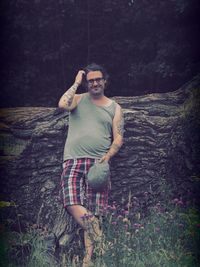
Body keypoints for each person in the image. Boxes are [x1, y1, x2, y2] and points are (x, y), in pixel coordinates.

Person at [58, 63, 124, 267]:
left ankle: (88, 262)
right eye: (91, 80)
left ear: (105, 81)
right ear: (87, 83)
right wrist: (76, 82)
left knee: (95, 211)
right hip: (73, 160)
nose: (95, 83)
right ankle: (96, 230)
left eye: (98, 79)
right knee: (70, 201)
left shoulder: (114, 107)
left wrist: (109, 155)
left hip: (98, 165)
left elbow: (118, 137)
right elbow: (62, 104)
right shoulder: (78, 99)